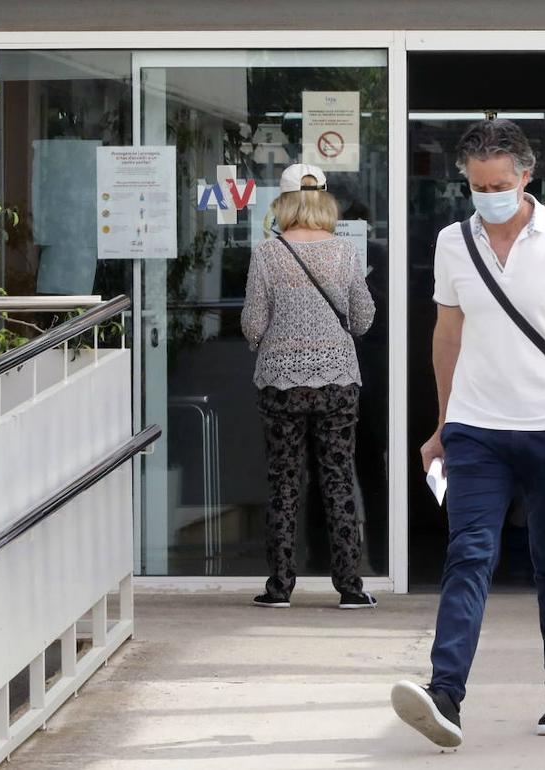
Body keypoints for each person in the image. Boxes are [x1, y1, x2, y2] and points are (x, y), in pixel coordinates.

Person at [392, 119, 545, 748]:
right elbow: (447, 335)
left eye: (500, 183)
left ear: (526, 176)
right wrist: (443, 423)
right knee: (469, 553)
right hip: (476, 428)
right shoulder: (452, 242)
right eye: (477, 185)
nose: (489, 195)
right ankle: (446, 692)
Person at [241, 162, 377, 610]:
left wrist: (272, 337)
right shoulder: (343, 251)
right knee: (338, 482)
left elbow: (252, 325)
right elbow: (363, 317)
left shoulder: (267, 253)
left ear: (283, 203)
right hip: (338, 381)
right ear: (324, 201)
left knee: (284, 484)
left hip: (281, 383)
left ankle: (279, 588)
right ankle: (351, 588)